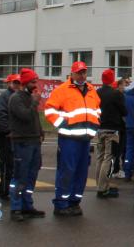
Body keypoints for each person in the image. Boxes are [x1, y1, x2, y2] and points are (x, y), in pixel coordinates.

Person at [44, 61, 101, 217]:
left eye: (84, 72)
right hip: (69, 139)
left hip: (85, 139)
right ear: (72, 73)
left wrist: (95, 123)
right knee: (67, 171)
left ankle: (74, 202)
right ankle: (61, 204)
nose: (82, 75)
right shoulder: (62, 90)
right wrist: (63, 123)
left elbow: (97, 109)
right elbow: (49, 110)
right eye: (79, 72)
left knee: (81, 172)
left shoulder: (91, 90)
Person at [8, 68, 46, 221]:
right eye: (32, 82)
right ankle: (16, 207)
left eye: (35, 81)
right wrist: (35, 102)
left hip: (33, 140)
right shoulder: (16, 98)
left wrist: (40, 132)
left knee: (31, 175)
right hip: (22, 142)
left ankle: (27, 204)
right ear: (25, 83)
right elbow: (25, 116)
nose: (35, 84)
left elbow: (34, 118)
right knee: (20, 176)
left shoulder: (30, 97)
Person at [94, 69, 127, 199]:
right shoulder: (116, 94)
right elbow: (124, 111)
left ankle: (100, 184)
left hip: (100, 127)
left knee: (100, 158)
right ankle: (103, 188)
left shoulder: (97, 93)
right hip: (112, 129)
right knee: (109, 158)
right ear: (112, 80)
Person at [0, 74, 20, 200]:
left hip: (15, 135)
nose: (17, 85)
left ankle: (10, 189)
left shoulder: (17, 96)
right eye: (15, 82)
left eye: (19, 83)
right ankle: (4, 191)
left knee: (14, 165)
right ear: (9, 83)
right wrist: (8, 131)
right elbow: (1, 115)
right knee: (6, 165)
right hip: (5, 136)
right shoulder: (4, 97)